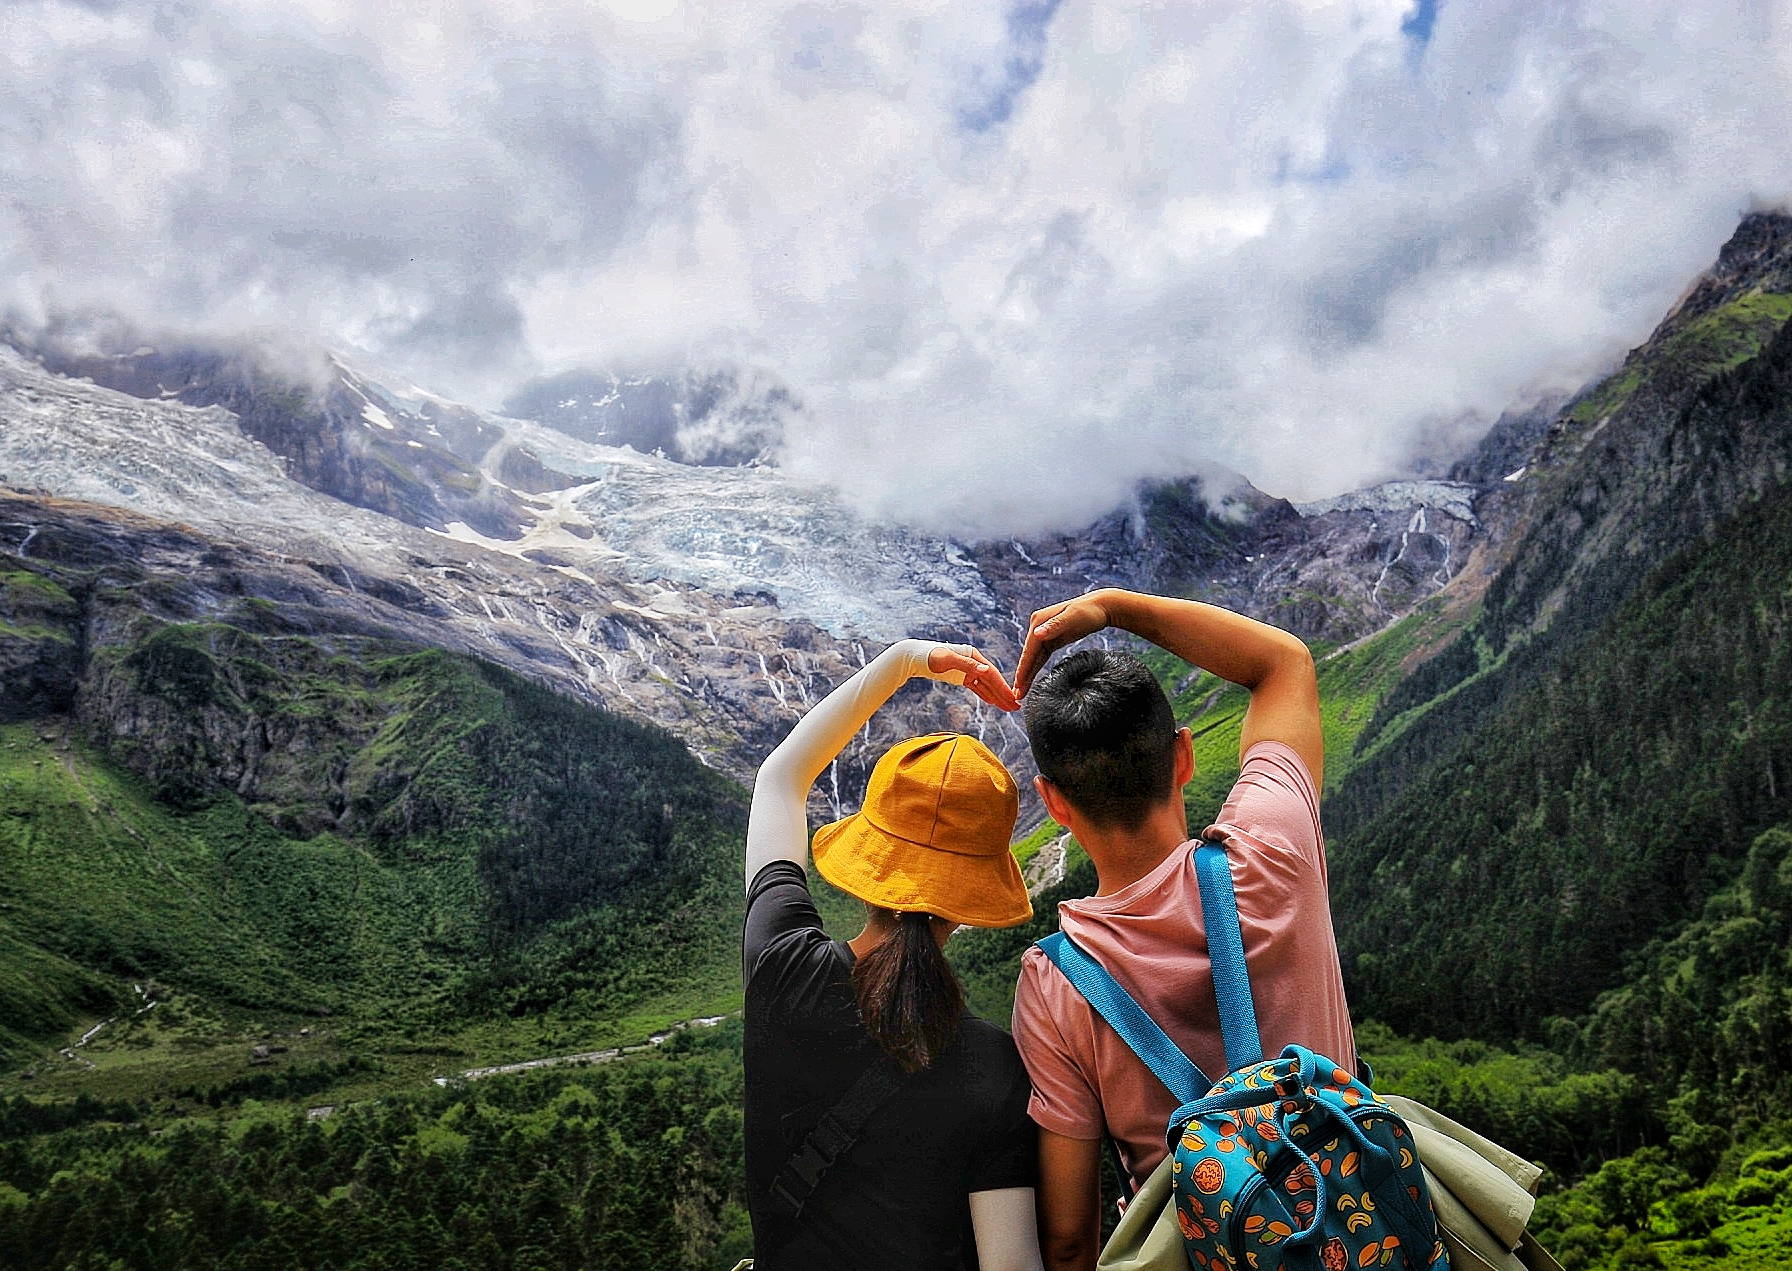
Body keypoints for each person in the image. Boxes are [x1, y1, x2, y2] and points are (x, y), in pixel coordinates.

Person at [1006, 589, 1351, 1271]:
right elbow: (1282, 663)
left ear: (1053, 803)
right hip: (1364, 1237)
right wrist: (1111, 608)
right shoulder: (1272, 850)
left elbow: (1069, 1238)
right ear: (1185, 756)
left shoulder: (1053, 986)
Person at [741, 637, 1048, 1271]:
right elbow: (1012, 1265)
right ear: (969, 902)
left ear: (868, 862)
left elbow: (779, 780)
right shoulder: (996, 1067)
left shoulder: (784, 969)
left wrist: (906, 660)